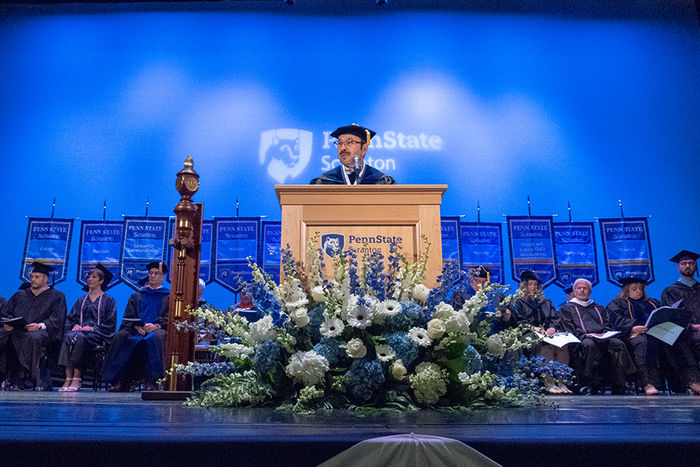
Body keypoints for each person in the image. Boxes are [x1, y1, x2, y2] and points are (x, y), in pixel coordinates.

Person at [608, 276, 700, 395]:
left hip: (656, 333)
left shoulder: (652, 302)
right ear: (626, 290)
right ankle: (647, 382)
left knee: (676, 340)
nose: (638, 292)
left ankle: (692, 380)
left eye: (640, 289)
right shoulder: (617, 303)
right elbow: (616, 322)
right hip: (634, 335)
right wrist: (632, 327)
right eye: (634, 289)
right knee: (644, 342)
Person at [102, 262, 170, 391]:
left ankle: (153, 382)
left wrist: (157, 326)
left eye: (157, 273)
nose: (153, 276)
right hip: (137, 330)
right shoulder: (137, 296)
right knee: (122, 336)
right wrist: (136, 326)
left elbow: (169, 317)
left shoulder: (169, 297)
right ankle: (119, 381)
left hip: (157, 330)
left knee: (154, 338)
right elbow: (129, 316)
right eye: (151, 273)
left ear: (163, 277)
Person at [560, 278, 634, 394]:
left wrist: (604, 334)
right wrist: (585, 335)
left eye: (585, 288)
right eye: (579, 288)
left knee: (618, 344)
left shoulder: (598, 308)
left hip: (602, 338)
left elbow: (607, 324)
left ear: (590, 292)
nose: (582, 291)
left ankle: (620, 384)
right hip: (582, 340)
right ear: (574, 291)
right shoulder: (567, 308)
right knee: (590, 345)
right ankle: (591, 384)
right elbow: (568, 329)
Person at [1, 262, 66, 390]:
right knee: (3, 334)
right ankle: (3, 377)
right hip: (17, 330)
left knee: (31, 338)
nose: (33, 279)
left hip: (41, 332)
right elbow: (6, 313)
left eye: (37, 277)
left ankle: (25, 378)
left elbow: (57, 319)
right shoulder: (20, 295)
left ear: (45, 278)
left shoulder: (57, 296)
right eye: (32, 276)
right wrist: (7, 323)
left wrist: (40, 326)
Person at [58, 264, 117, 392]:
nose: (90, 279)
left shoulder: (109, 300)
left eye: (94, 277)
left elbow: (110, 323)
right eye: (89, 277)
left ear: (101, 281)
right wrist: (75, 326)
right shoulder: (81, 300)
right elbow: (71, 318)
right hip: (80, 333)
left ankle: (77, 378)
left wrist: (93, 328)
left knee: (78, 338)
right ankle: (67, 378)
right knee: (69, 336)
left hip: (97, 335)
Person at [513, 270, 572, 394]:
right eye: (530, 284)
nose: (533, 287)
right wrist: (533, 328)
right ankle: (548, 382)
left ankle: (561, 382)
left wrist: (552, 328)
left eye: (535, 284)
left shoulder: (546, 302)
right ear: (524, 285)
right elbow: (517, 321)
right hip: (528, 334)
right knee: (546, 346)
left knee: (562, 346)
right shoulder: (517, 302)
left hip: (546, 333)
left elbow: (554, 319)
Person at [310, 124, 396, 185]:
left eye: (350, 142)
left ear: (364, 149)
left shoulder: (382, 181)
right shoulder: (324, 182)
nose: (343, 148)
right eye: (340, 143)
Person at [661, 250, 700, 363]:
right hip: (685, 333)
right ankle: (693, 379)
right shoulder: (671, 291)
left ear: (695, 266)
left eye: (691, 263)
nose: (688, 266)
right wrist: (693, 327)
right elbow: (673, 316)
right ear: (678, 267)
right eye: (684, 263)